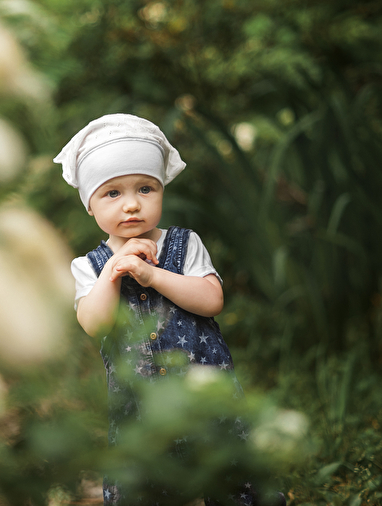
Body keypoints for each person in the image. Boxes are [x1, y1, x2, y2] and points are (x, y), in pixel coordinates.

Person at [54, 114, 285, 506]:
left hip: (206, 394)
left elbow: (211, 300)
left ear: (162, 191)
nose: (131, 204)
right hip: (140, 409)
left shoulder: (185, 244)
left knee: (231, 474)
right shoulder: (89, 267)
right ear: (90, 206)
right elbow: (95, 324)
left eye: (145, 188)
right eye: (112, 193)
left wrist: (152, 275)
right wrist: (115, 269)